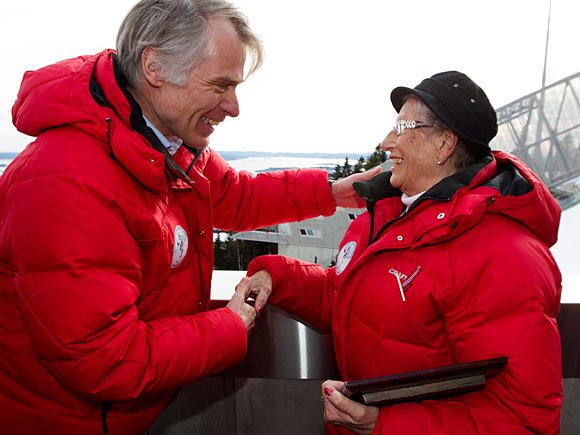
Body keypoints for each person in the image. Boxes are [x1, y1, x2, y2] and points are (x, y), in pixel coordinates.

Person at [0, 1, 377, 433]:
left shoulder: (160, 141)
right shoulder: (68, 182)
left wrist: (331, 193)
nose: (233, 107)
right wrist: (230, 325)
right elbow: (105, 359)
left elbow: (233, 195)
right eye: (220, 85)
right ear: (155, 68)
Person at [243, 71, 563, 434]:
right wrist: (278, 277)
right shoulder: (389, 214)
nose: (385, 142)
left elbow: (523, 419)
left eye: (402, 127)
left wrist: (382, 425)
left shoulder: (504, 257)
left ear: (444, 144)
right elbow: (349, 298)